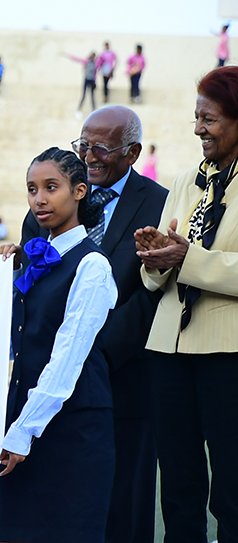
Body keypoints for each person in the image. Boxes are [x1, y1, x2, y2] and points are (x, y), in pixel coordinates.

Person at [21, 106, 168, 543]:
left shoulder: (160, 202)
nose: (88, 156)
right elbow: (35, 281)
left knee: (125, 507)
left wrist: (96, 351)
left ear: (133, 152)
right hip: (56, 382)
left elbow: (153, 292)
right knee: (63, 510)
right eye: (82, 145)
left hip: (126, 379)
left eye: (101, 148)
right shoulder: (48, 205)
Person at [135, 66, 238, 542]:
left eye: (209, 119)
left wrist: (187, 258)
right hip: (167, 351)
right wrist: (156, 256)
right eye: (196, 118)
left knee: (232, 487)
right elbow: (155, 278)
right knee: (177, 484)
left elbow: (192, 259)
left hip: (228, 353)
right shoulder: (183, 182)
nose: (198, 129)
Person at [0, 148, 117, 543]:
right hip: (25, 421)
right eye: (32, 190)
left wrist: (23, 431)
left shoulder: (93, 266)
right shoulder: (32, 261)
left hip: (74, 431)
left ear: (79, 191)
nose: (39, 200)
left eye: (51, 187)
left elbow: (68, 356)